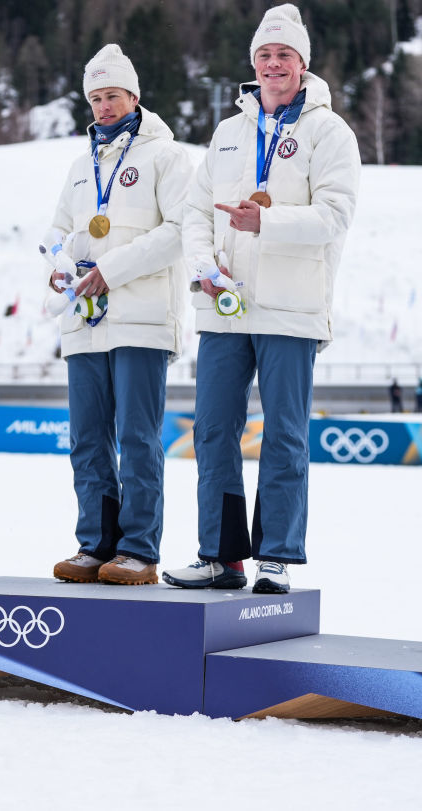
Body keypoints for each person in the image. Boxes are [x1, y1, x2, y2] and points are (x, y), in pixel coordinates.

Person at [163, 4, 360, 595]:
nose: (274, 64)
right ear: (253, 64)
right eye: (264, 55)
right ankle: (223, 558)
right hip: (224, 305)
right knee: (214, 431)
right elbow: (196, 211)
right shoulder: (229, 133)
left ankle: (274, 556)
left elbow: (335, 215)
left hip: (291, 308)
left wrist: (263, 224)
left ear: (303, 64)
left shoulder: (330, 132)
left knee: (284, 433)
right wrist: (202, 262)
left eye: (284, 55)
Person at [47, 44, 193, 586]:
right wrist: (57, 264)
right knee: (87, 438)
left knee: (136, 436)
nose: (103, 106)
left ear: (134, 96)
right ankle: (95, 544)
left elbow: (180, 230)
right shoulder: (80, 164)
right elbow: (58, 230)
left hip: (141, 315)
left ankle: (138, 550)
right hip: (84, 316)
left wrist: (115, 268)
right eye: (94, 98)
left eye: (112, 95)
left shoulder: (166, 156)